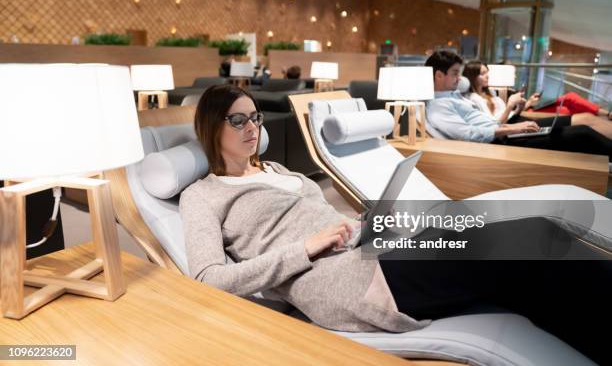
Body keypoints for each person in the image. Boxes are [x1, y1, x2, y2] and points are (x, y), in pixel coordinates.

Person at [180, 84, 611, 363]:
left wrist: (362, 222)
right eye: (237, 120)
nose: (251, 127)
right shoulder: (203, 195)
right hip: (348, 282)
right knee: (532, 237)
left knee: (529, 238)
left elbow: (319, 217)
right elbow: (207, 278)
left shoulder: (278, 171)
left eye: (254, 117)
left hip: (372, 249)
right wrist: (307, 247)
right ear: (209, 126)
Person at [424, 51, 612, 159]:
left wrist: (511, 125)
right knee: (583, 133)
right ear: (439, 75)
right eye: (455, 73)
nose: (460, 78)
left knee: (582, 125)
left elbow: (483, 123)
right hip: (500, 143)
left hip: (505, 132)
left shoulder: (455, 96)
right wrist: (511, 129)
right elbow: (468, 134)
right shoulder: (438, 106)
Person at [462, 60, 612, 128]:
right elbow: (495, 126)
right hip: (513, 126)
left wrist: (520, 106)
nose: (488, 76)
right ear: (472, 77)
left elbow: (511, 114)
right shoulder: (474, 99)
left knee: (579, 114)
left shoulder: (491, 95)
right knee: (580, 115)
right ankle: (608, 115)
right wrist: (510, 106)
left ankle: (606, 116)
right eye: (483, 74)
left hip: (517, 118)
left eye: (488, 72)